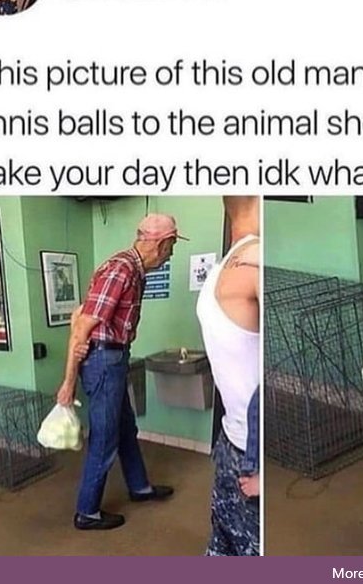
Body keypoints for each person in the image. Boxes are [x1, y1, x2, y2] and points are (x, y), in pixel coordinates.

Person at [57, 214, 187, 531]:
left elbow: (83, 316)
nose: (171, 253)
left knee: (126, 429)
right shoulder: (121, 269)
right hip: (104, 361)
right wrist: (68, 383)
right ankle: (86, 512)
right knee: (104, 439)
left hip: (113, 359)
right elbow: (81, 326)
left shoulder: (132, 270)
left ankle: (139, 487)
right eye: (171, 245)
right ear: (159, 242)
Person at [197, 196, 260, 556]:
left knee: (222, 545)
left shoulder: (218, 273)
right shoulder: (253, 263)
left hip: (229, 441)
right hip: (248, 451)